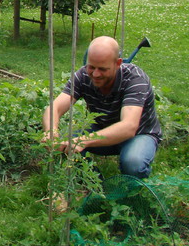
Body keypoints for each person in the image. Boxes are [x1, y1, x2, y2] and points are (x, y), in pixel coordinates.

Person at [41, 36, 162, 179]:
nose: (95, 74)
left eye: (103, 69)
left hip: (139, 134)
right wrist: (51, 131)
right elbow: (55, 108)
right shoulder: (83, 75)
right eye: (91, 67)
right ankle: (96, 183)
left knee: (133, 163)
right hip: (102, 129)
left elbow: (129, 127)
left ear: (118, 63)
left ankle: (134, 191)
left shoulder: (135, 79)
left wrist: (84, 141)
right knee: (65, 145)